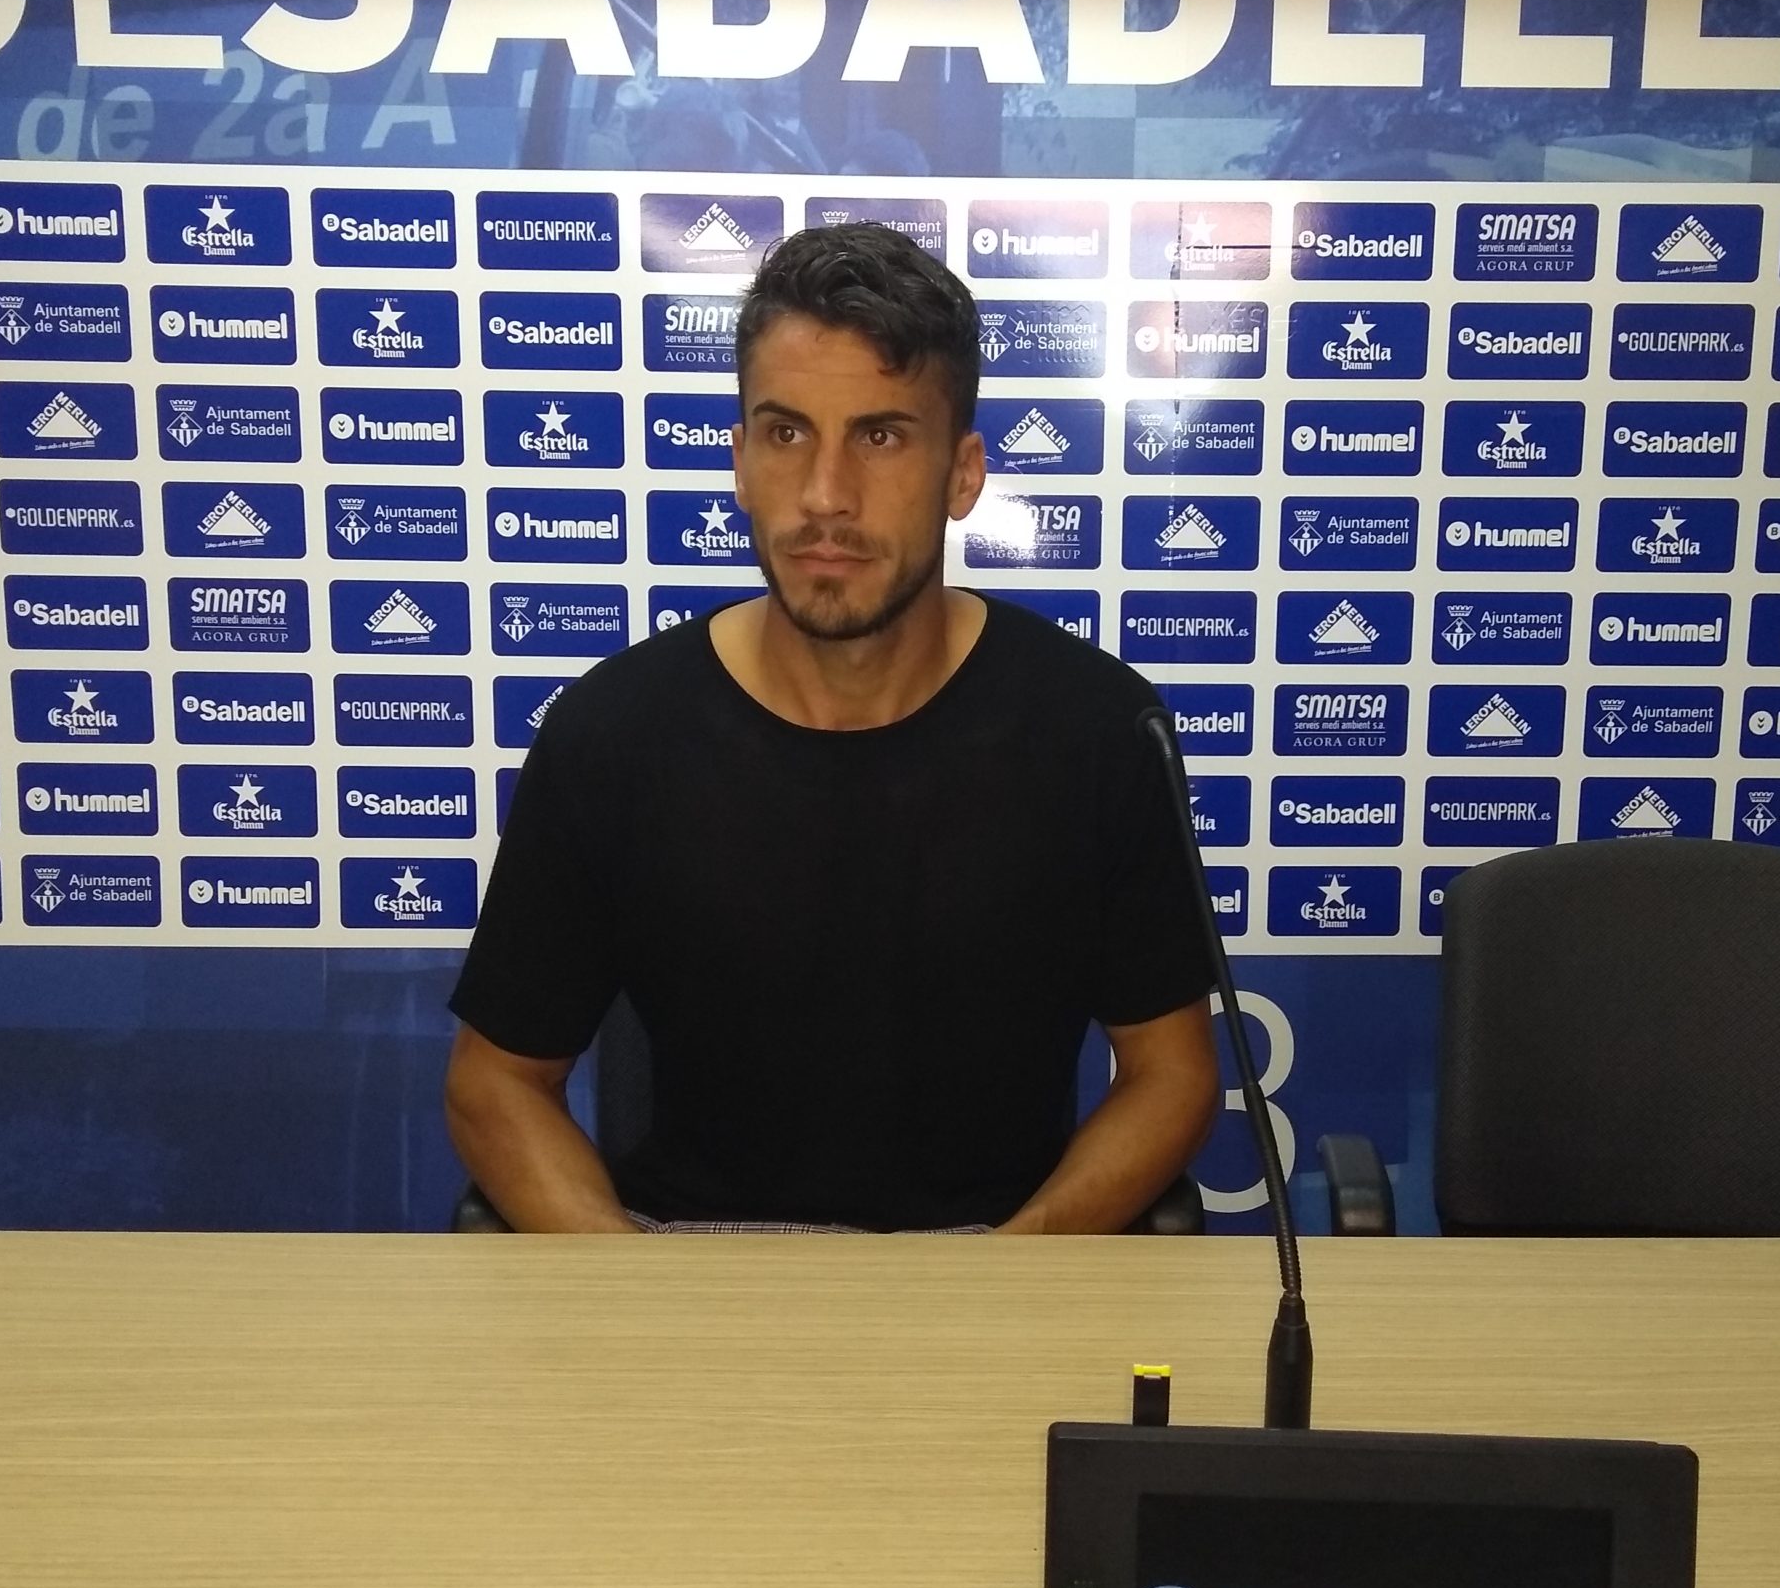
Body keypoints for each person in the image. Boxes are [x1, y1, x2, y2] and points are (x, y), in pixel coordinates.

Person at [445, 222, 1219, 1233]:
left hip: (995, 1262)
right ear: (739, 462)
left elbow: (1171, 1077)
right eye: (786, 434)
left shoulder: (1099, 730)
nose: (825, 496)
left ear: (963, 475)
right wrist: (631, 1284)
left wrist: (1012, 1273)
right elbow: (495, 1082)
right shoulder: (614, 735)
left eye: (880, 437)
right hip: (689, 1266)